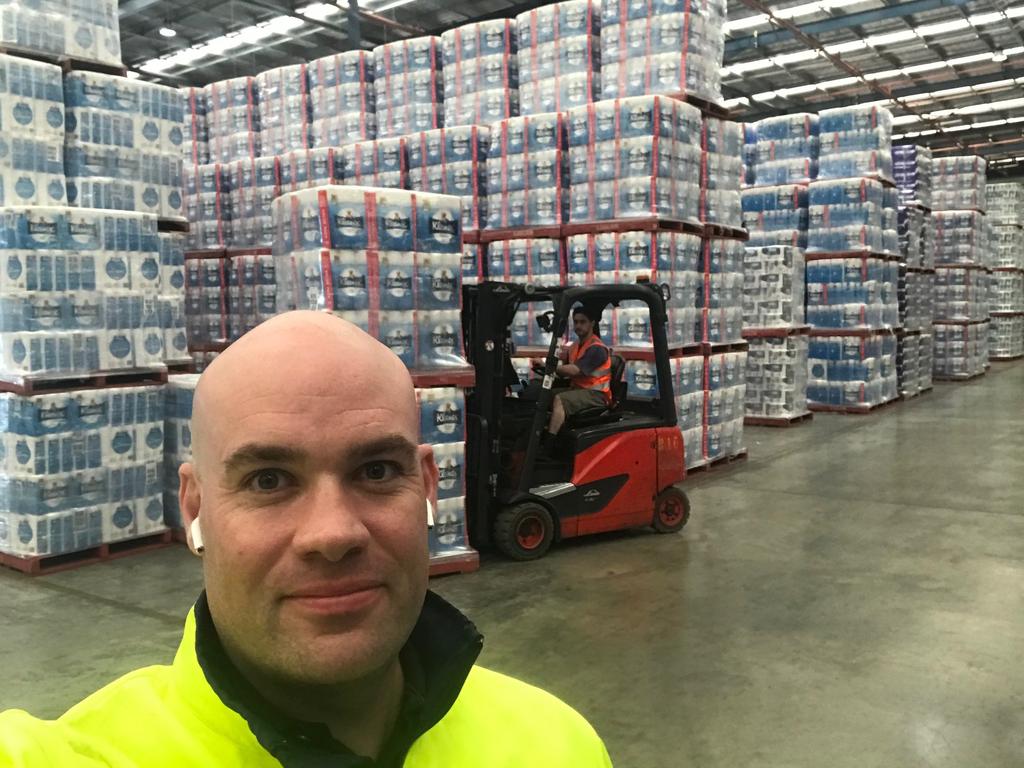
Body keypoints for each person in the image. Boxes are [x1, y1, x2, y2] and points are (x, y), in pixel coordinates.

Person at [0, 311, 613, 767]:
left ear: (428, 487)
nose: (333, 534)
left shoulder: (557, 744)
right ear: (196, 510)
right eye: (268, 480)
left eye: (376, 471)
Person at [540, 306, 612, 440]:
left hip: (597, 395)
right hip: (579, 389)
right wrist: (550, 370)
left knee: (560, 399)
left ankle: (550, 442)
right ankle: (541, 433)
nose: (578, 325)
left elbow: (575, 370)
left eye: (582, 322)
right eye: (576, 322)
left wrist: (548, 367)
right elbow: (565, 371)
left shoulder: (596, 348)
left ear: (592, 323)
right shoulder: (574, 346)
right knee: (544, 394)